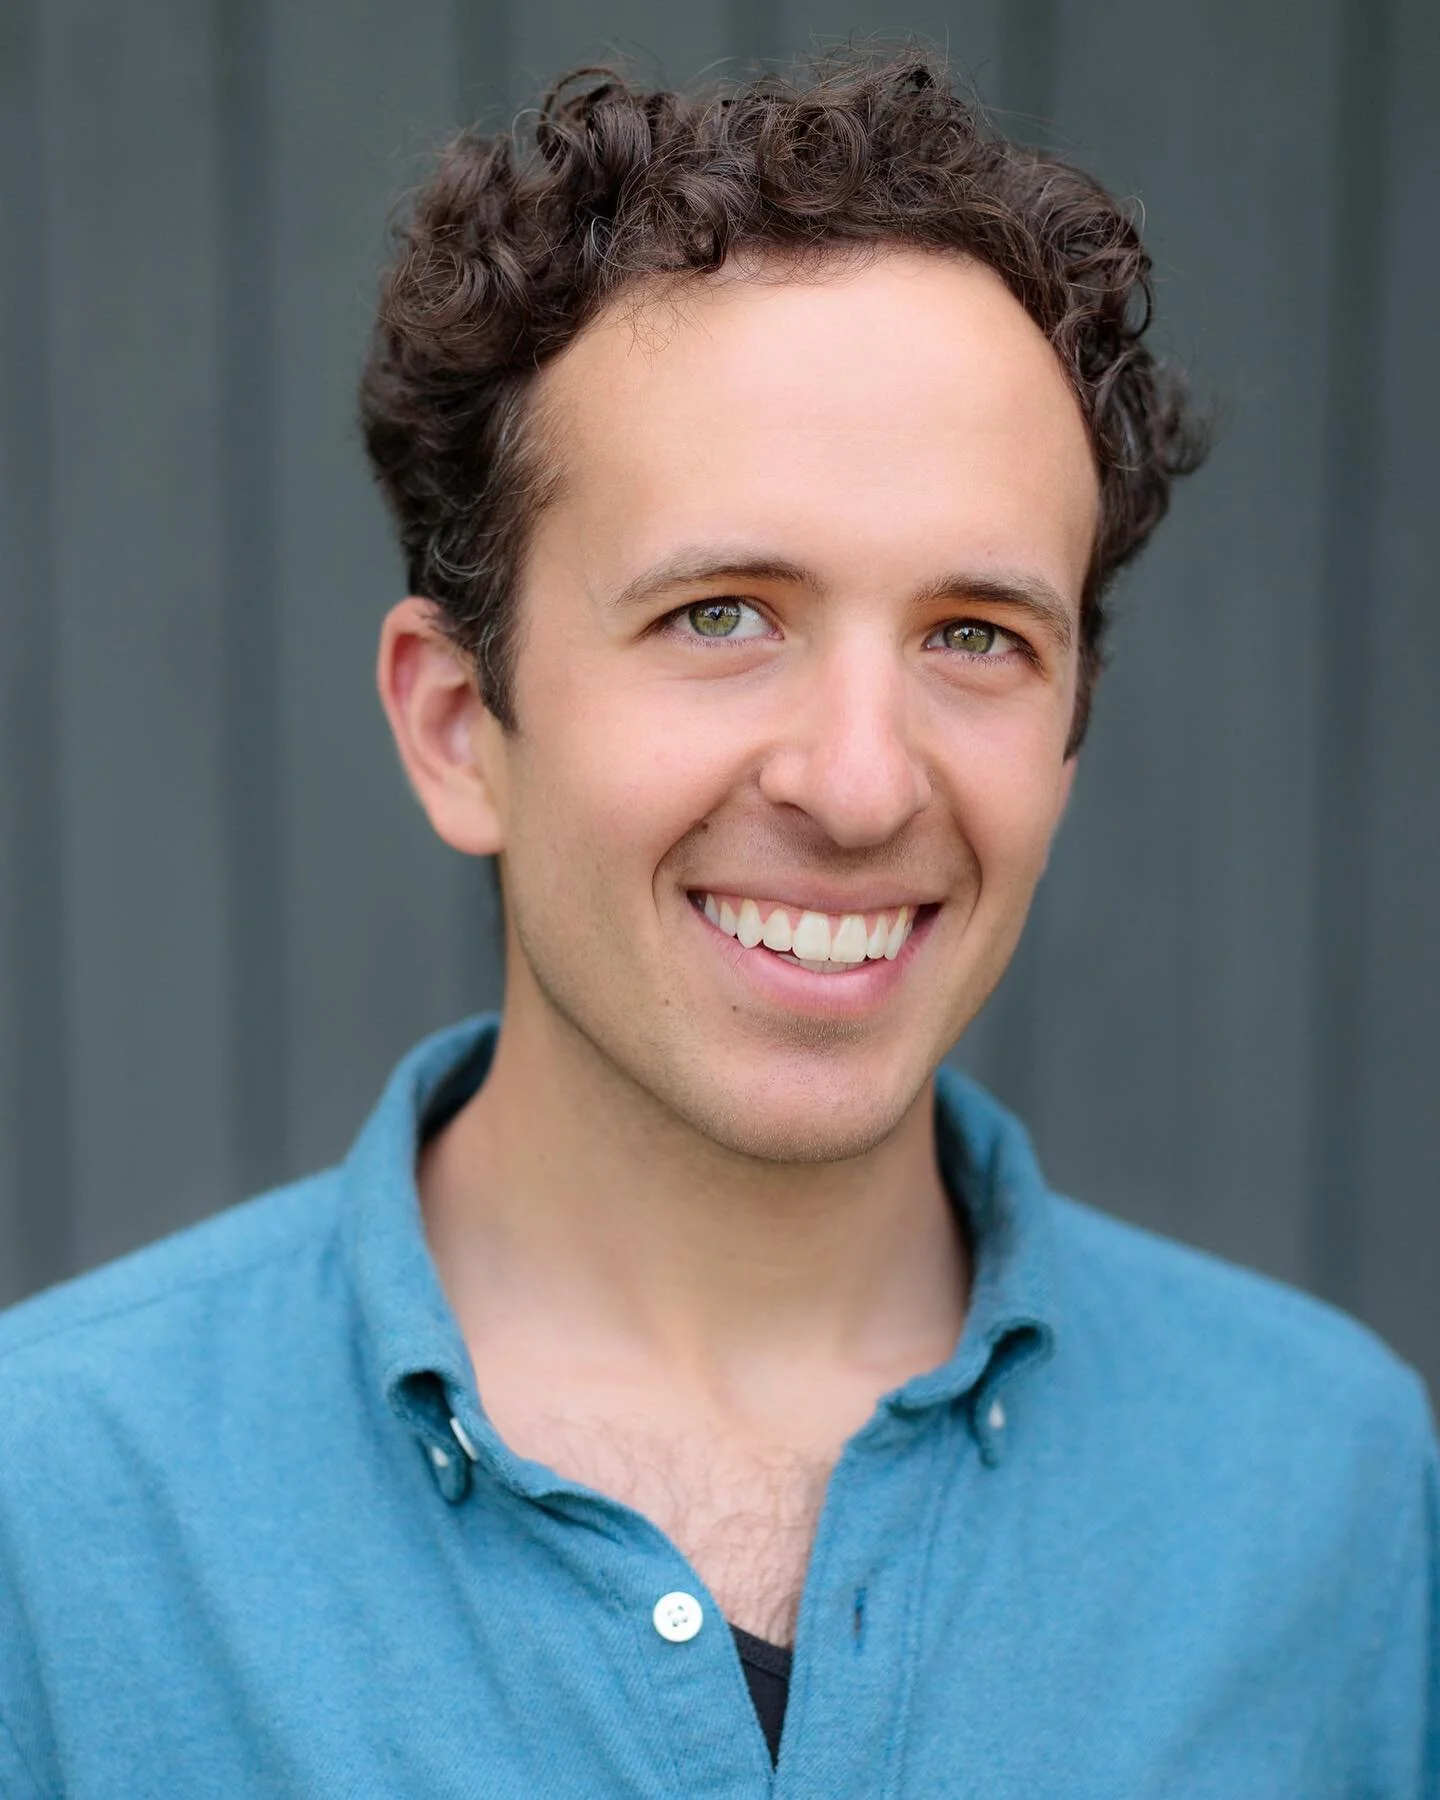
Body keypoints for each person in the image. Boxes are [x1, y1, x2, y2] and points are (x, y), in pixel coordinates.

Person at [0, 51, 1434, 1798]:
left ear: (1070, 731)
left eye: (975, 636)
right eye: (722, 615)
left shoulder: (1332, 1498)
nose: (860, 785)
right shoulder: (52, 1517)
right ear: (456, 728)